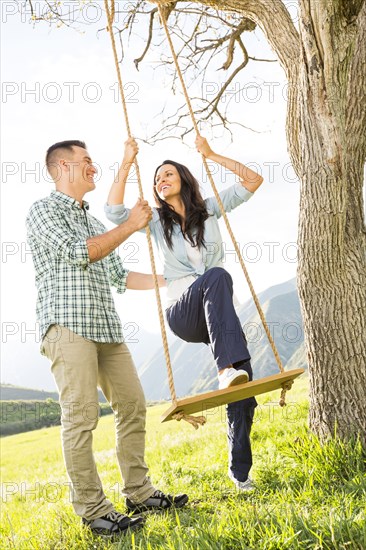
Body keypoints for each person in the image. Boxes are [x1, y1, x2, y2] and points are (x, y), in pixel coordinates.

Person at [26, 140, 188, 539]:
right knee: (82, 417)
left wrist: (175, 280)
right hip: (67, 327)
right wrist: (131, 224)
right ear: (63, 166)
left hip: (107, 330)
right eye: (86, 162)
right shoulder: (43, 211)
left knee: (133, 405)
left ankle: (139, 492)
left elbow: (120, 276)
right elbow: (80, 253)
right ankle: (95, 511)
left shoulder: (98, 223)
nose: (93, 168)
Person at [105, 135, 264, 491]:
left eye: (168, 174)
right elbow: (113, 212)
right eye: (157, 178)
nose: (161, 180)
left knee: (245, 388)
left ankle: (240, 473)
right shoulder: (155, 221)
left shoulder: (208, 210)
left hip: (217, 316)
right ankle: (224, 368)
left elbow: (253, 180)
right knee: (217, 276)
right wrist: (127, 159)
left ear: (183, 179)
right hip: (183, 312)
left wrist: (211, 153)